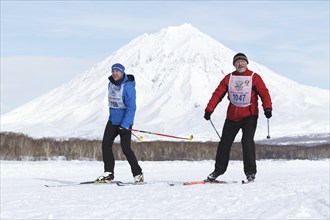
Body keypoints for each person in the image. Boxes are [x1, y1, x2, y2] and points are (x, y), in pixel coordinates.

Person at [204, 53, 272, 182]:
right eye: (237, 62)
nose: (240, 64)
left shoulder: (254, 77)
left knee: (247, 142)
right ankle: (218, 170)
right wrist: (209, 110)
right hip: (232, 116)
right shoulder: (229, 78)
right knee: (224, 143)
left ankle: (250, 173)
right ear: (234, 64)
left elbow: (264, 93)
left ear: (247, 63)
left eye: (242, 61)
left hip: (250, 115)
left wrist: (267, 108)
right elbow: (218, 94)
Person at [96, 63, 143, 183]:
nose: (115, 73)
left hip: (124, 123)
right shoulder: (110, 85)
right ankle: (108, 173)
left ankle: (138, 174)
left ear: (122, 73)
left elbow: (132, 107)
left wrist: (126, 124)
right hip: (113, 121)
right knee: (105, 144)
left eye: (117, 71)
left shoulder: (128, 87)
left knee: (126, 149)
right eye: (113, 71)